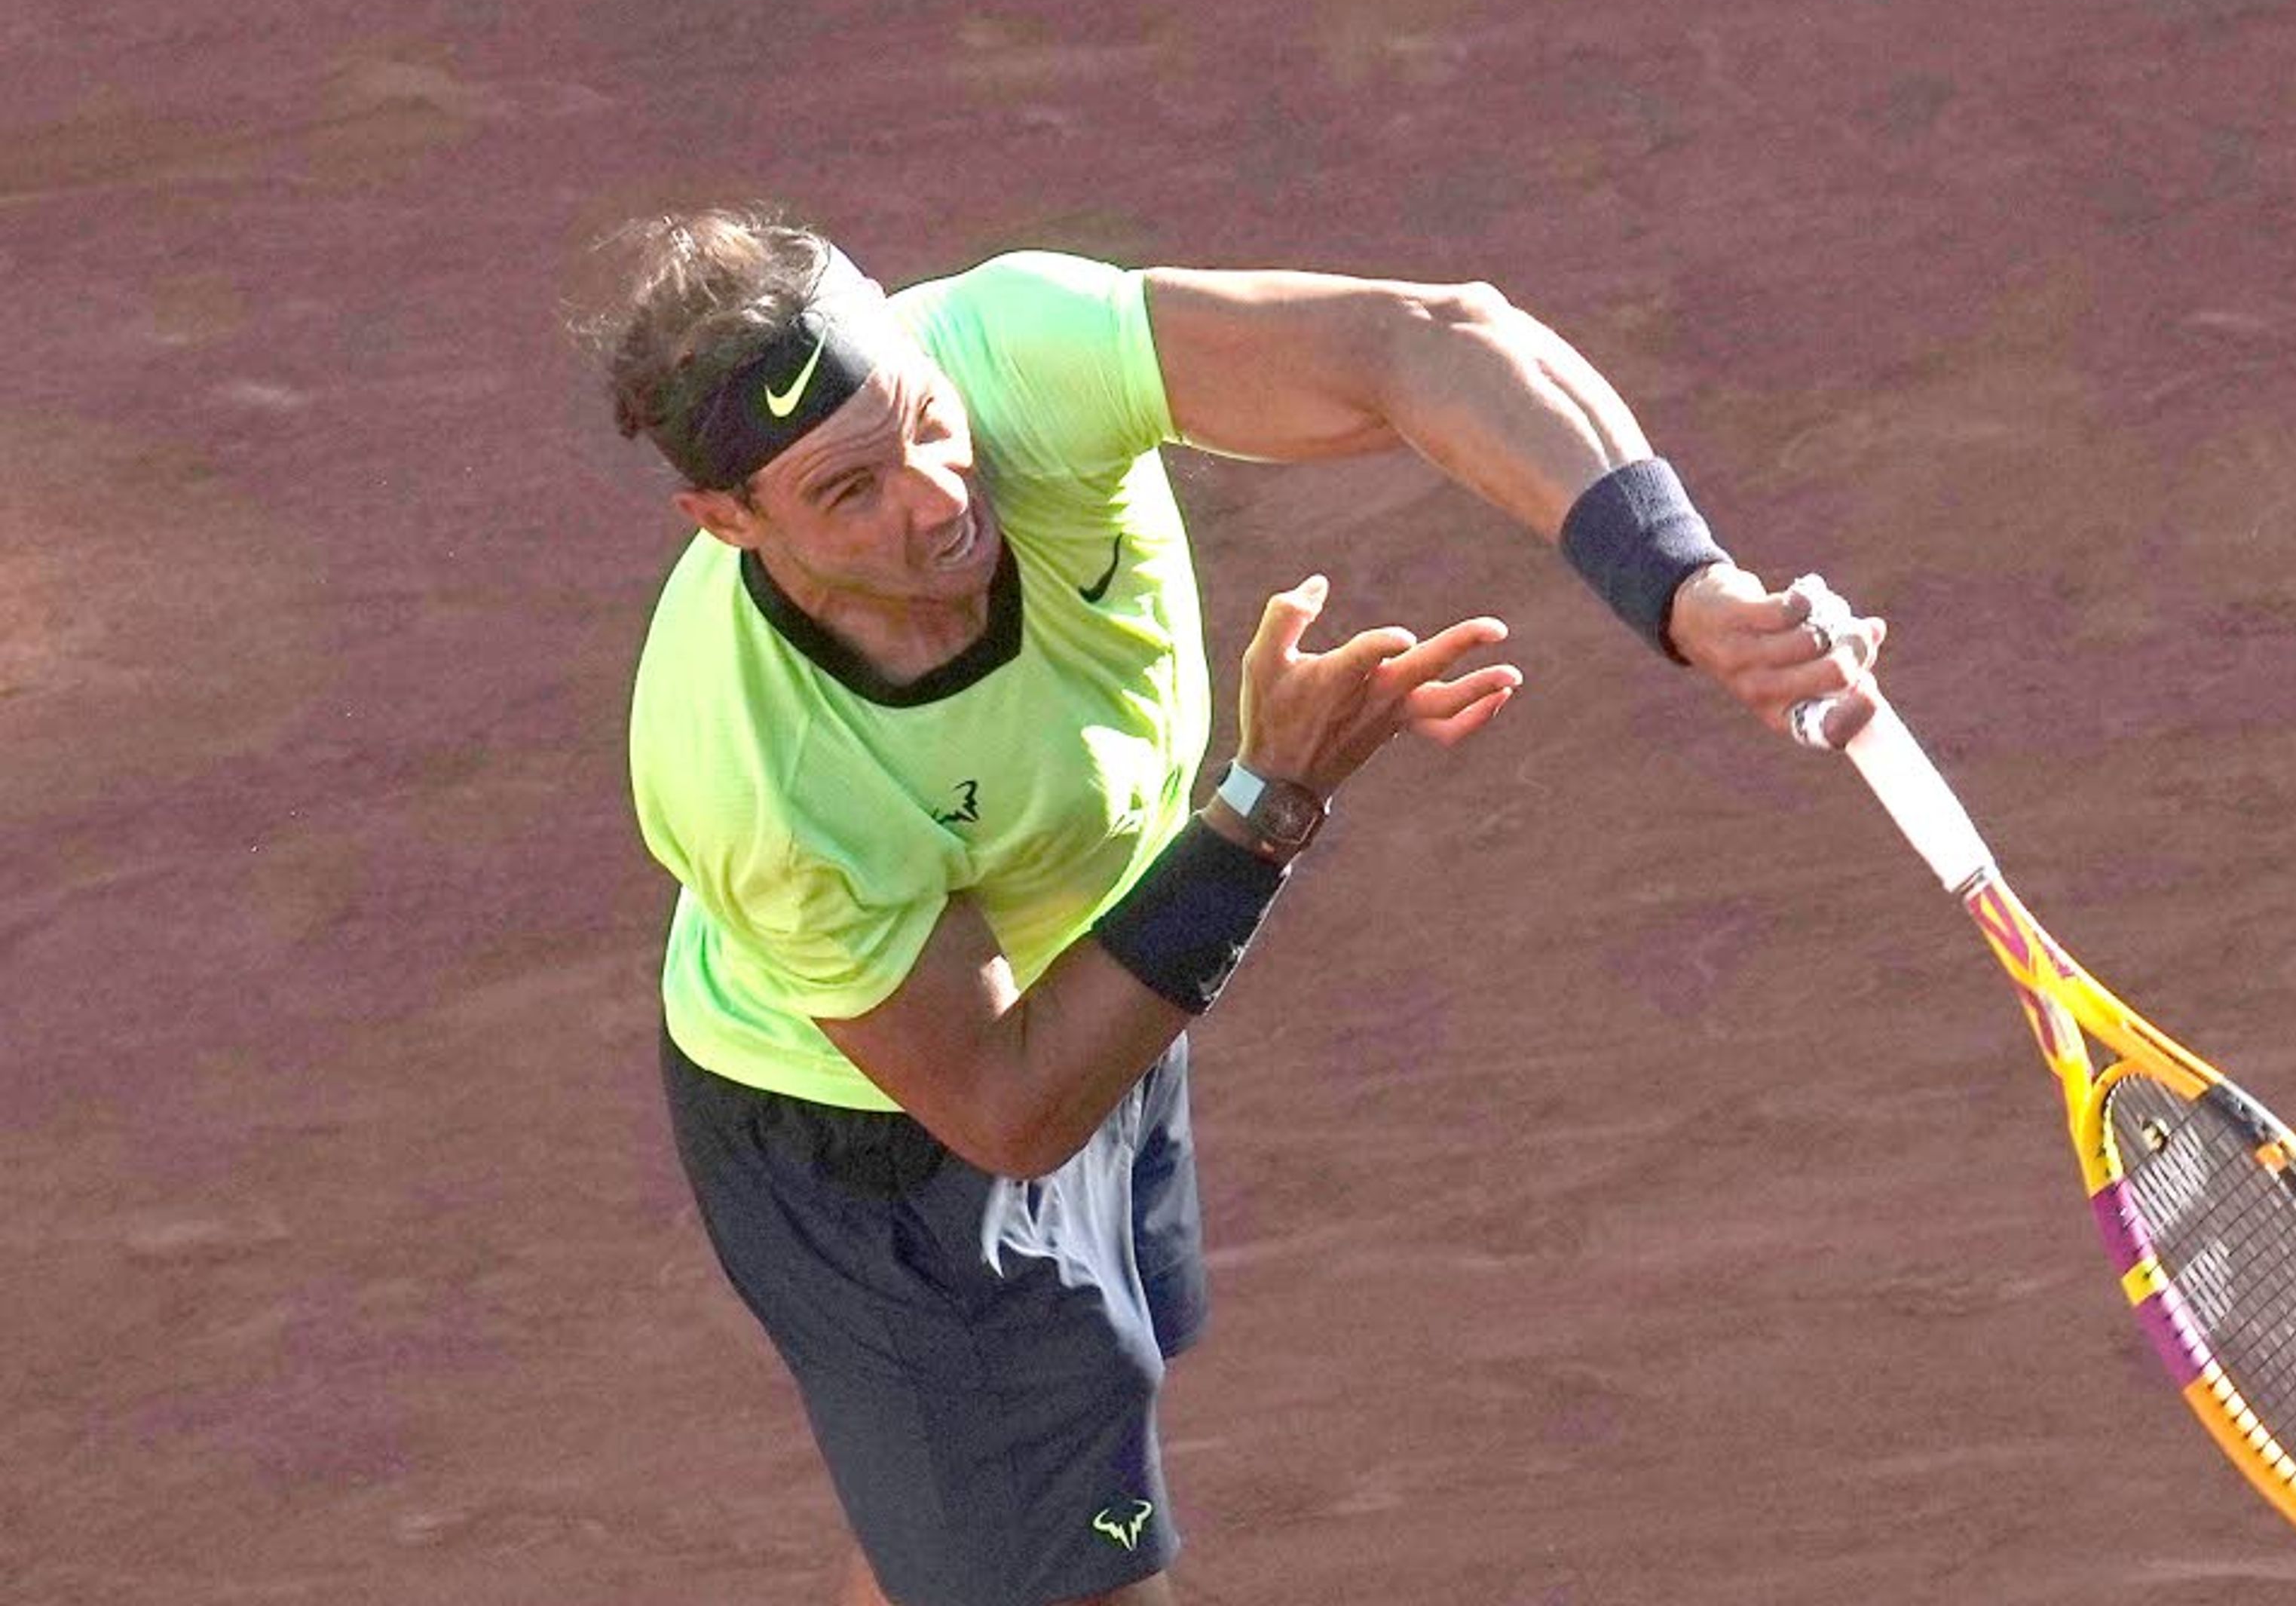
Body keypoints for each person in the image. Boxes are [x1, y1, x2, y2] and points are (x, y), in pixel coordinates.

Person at [592, 206, 1885, 1606]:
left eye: (921, 414)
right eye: (849, 491)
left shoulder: (1017, 350)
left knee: (986, 1531)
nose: (935, 492)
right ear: (725, 521)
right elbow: (1009, 1110)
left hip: (1112, 973)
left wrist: (1686, 588)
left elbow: (1421, 340)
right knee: (1062, 1559)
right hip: (886, 1149)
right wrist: (1268, 801)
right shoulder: (751, 765)